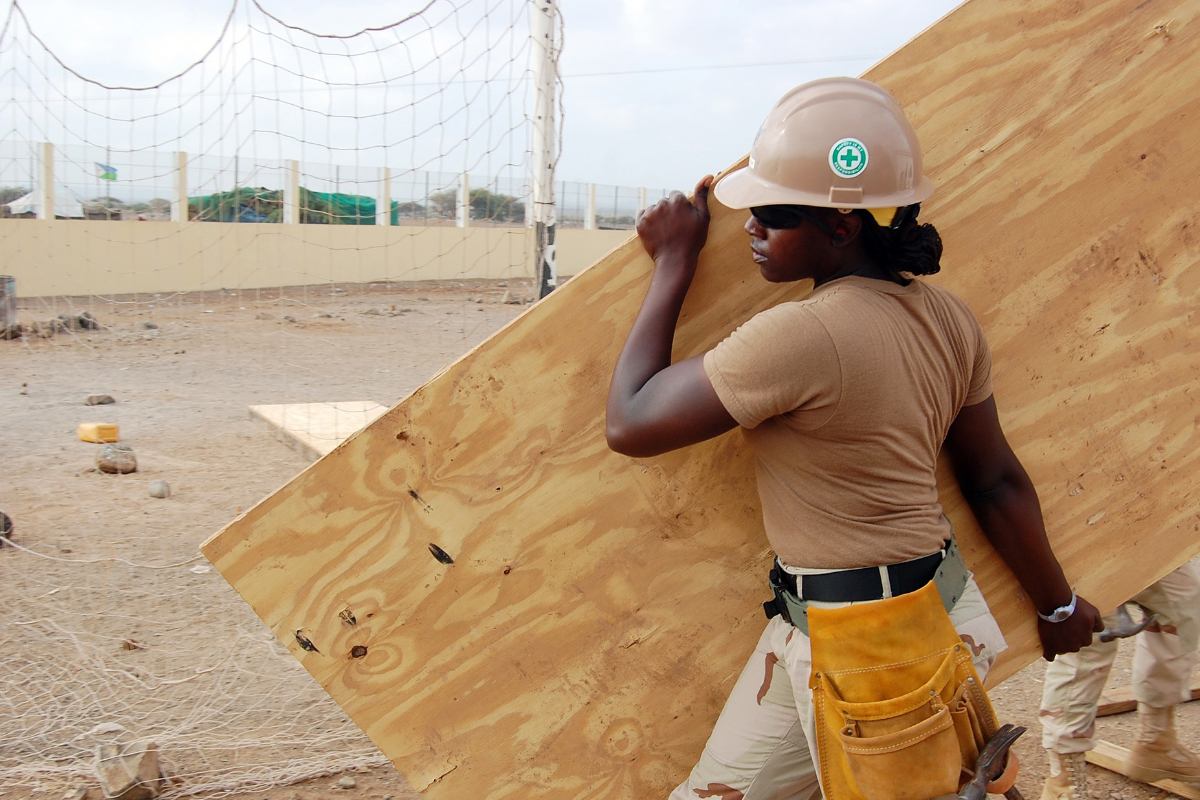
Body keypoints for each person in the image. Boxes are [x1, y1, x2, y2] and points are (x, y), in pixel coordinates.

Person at [605, 76, 1102, 800]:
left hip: (873, 652)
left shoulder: (800, 336)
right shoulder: (948, 318)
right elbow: (994, 480)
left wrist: (674, 263)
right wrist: (1056, 606)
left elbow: (631, 422)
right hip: (886, 621)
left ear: (842, 227)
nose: (751, 228)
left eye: (772, 215)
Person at [1039, 561, 1200, 800]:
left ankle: (1156, 743)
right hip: (1086, 540)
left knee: (1183, 604)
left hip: (1146, 533)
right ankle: (1063, 781)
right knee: (1088, 642)